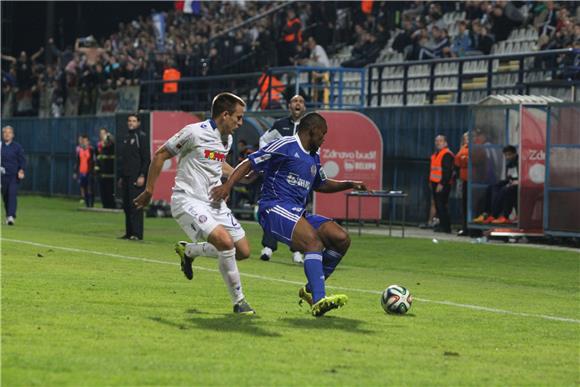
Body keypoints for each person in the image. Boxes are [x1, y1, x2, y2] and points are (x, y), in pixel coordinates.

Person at [211, 112, 368, 317]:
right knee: (314, 243)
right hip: (272, 208)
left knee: (341, 238)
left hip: (297, 213)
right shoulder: (285, 145)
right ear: (312, 131)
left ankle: (311, 289)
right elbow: (249, 162)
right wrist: (228, 186)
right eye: (323, 134)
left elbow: (320, 183)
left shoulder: (313, 157)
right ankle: (318, 300)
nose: (324, 139)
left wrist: (349, 183)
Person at [133, 92, 255, 315]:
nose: (240, 122)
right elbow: (161, 155)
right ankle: (240, 302)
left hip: (214, 203)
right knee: (225, 242)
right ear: (225, 115)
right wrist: (149, 190)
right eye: (238, 117)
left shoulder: (226, 138)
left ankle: (189, 251)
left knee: (243, 251)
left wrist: (238, 174)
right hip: (187, 199)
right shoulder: (193, 132)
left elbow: (218, 165)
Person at [258, 95, 306, 264]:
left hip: (300, 179)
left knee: (297, 214)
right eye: (294, 101)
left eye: (300, 101)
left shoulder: (309, 128)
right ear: (289, 106)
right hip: (279, 178)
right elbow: (264, 140)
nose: (297, 104)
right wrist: (269, 160)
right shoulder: (280, 125)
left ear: (304, 107)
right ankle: (268, 247)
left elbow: (316, 149)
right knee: (273, 210)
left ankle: (297, 251)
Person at [118, 114, 150, 240]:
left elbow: (146, 158)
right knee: (126, 205)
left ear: (138, 123)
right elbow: (124, 160)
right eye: (129, 121)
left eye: (134, 121)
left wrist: (142, 175)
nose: (131, 123)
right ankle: (129, 232)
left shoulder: (140, 137)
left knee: (135, 204)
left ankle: (137, 234)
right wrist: (121, 177)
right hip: (126, 177)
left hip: (136, 177)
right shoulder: (126, 137)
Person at [473, 145, 519, 225]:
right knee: (492, 187)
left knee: (505, 190)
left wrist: (512, 183)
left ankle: (501, 216)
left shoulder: (520, 163)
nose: (507, 157)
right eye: (506, 155)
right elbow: (509, 178)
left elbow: (522, 178)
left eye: (509, 155)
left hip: (519, 186)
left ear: (514, 154)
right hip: (511, 183)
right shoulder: (509, 164)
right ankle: (486, 213)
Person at [1, 126, 26, 225]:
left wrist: (21, 170)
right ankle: (8, 215)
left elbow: (22, 160)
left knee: (12, 194)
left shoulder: (17, 147)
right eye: (5, 132)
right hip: (2, 176)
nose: (7, 134)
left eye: (9, 132)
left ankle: (11, 216)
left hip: (13, 176)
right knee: (6, 196)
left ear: (13, 135)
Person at [429, 135, 455, 234]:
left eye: (440, 141)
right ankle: (442, 225)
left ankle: (446, 227)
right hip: (435, 183)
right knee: (439, 206)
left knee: (442, 205)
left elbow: (447, 171)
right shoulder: (437, 154)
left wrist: (442, 183)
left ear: (445, 143)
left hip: (442, 184)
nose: (438, 142)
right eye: (436, 141)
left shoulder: (446, 154)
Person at [96, 128, 116, 209]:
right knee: (103, 191)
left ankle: (111, 205)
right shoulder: (99, 146)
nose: (102, 135)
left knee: (109, 190)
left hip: (110, 173)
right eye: (101, 134)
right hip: (102, 173)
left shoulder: (110, 145)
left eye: (103, 134)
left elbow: (112, 142)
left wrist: (108, 137)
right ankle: (105, 205)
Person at [74, 134, 95, 208]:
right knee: (84, 188)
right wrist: (75, 172)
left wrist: (93, 171)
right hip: (82, 172)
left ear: (88, 142)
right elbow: (77, 162)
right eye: (83, 141)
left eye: (85, 141)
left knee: (90, 189)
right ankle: (87, 205)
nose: (84, 142)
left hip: (89, 172)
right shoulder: (80, 150)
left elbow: (93, 161)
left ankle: (91, 205)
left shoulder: (91, 150)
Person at [454, 132, 469, 236]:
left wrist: (464, 160)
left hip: (473, 181)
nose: (466, 140)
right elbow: (458, 161)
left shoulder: (475, 148)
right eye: (465, 138)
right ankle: (465, 227)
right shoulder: (463, 149)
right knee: (464, 205)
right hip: (464, 179)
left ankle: (471, 228)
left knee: (470, 205)